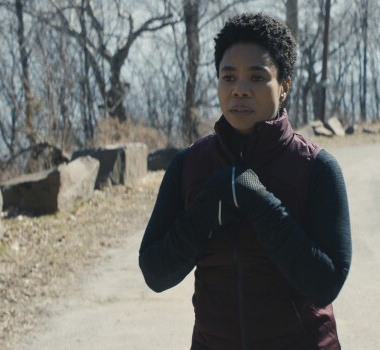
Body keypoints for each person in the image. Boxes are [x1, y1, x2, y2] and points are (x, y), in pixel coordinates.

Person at [138, 13, 351, 350]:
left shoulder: (316, 168)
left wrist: (263, 205)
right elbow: (155, 272)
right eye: (228, 77)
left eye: (256, 76)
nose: (239, 89)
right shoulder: (189, 165)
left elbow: (326, 284)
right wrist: (203, 214)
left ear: (284, 86)